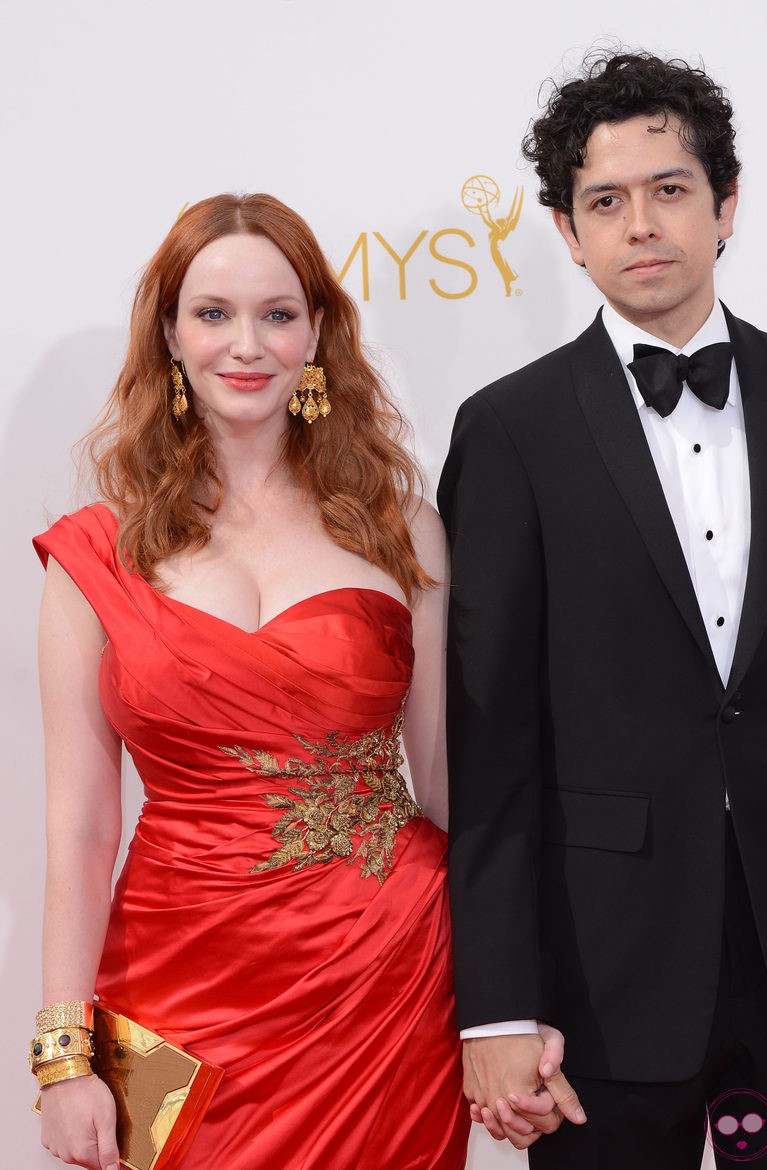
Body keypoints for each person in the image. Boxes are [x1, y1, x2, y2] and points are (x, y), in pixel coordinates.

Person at [438, 52, 767, 1168]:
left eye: (669, 189)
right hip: (602, 973)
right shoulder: (508, 432)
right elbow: (492, 748)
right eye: (605, 201)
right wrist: (493, 1005)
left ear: (726, 205)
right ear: (565, 231)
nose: (640, 223)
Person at [31, 193, 473, 1170]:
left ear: (317, 333)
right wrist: (64, 1058)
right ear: (169, 333)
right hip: (171, 983)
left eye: (277, 315)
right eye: (214, 313)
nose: (247, 345)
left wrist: (527, 992)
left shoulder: (400, 526)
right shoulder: (91, 555)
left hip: (384, 976)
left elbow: (445, 783)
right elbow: (78, 827)